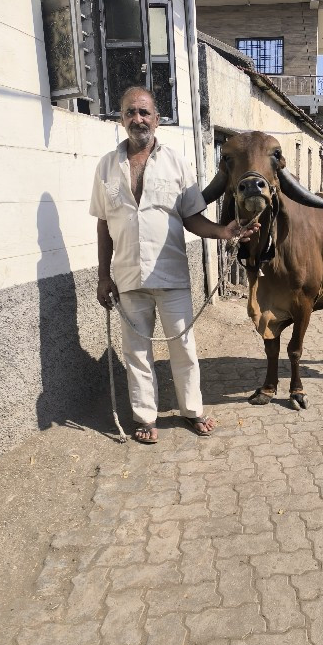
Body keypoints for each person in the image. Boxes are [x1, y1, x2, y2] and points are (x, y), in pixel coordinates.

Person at [90, 86, 257, 444]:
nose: (138, 119)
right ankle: (146, 418)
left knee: (183, 349)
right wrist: (104, 277)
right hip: (128, 277)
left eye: (144, 112)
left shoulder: (176, 163)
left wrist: (224, 231)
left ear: (157, 120)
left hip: (171, 276)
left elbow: (192, 218)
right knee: (136, 353)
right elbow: (104, 224)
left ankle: (192, 411)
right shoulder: (106, 167)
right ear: (121, 119)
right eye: (130, 112)